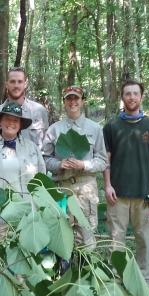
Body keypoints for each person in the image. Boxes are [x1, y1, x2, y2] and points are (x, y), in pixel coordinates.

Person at [102, 80, 149, 284]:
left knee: (144, 239)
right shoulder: (111, 126)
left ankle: (144, 280)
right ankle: (115, 278)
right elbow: (106, 159)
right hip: (117, 194)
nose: (131, 97)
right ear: (122, 97)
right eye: (127, 94)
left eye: (135, 93)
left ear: (141, 97)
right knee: (116, 239)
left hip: (144, 193)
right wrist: (108, 185)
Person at [43, 86, 108, 249]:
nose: (73, 102)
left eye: (76, 98)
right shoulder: (54, 129)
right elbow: (44, 158)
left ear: (82, 101)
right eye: (69, 99)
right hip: (61, 188)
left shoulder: (95, 128)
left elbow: (102, 161)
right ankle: (64, 270)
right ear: (64, 102)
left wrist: (84, 165)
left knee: (85, 237)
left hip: (85, 188)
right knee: (61, 234)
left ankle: (85, 270)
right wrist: (58, 164)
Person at [0, 102, 46, 238]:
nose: (11, 123)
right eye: (7, 119)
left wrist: (41, 207)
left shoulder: (32, 148)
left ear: (20, 124)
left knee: (26, 255)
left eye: (15, 120)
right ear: (0, 121)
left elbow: (41, 179)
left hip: (28, 214)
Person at [0, 67, 49, 151]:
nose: (16, 86)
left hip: (33, 162)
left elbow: (46, 147)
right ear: (6, 84)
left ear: (25, 84)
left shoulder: (39, 111)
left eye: (20, 81)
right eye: (12, 81)